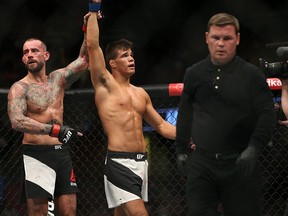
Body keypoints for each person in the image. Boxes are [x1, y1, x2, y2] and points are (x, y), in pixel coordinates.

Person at [174, 13, 276, 216]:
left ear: (237, 39)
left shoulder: (251, 75)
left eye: (227, 38)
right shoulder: (194, 73)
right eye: (216, 38)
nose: (221, 44)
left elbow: (267, 114)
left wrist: (253, 148)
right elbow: (185, 112)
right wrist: (180, 148)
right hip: (202, 163)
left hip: (239, 164)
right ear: (206, 38)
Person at [85, 2, 176, 215]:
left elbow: (162, 125)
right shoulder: (105, 84)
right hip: (119, 162)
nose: (131, 58)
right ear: (112, 63)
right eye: (125, 55)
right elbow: (92, 45)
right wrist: (93, 9)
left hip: (141, 163)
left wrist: (187, 135)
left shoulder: (140, 94)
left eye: (132, 55)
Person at [7, 15, 89, 215]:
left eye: (35, 50)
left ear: (46, 55)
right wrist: (55, 129)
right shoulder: (20, 88)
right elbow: (17, 121)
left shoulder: (58, 80)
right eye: (26, 52)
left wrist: (89, 26)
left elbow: (85, 59)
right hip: (36, 154)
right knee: (38, 214)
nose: (30, 55)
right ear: (23, 59)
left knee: (69, 212)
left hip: (61, 154)